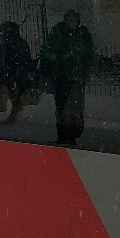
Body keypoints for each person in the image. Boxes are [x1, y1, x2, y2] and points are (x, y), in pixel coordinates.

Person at [41, 9, 94, 145]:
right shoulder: (59, 32)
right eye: (70, 20)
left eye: (75, 20)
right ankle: (64, 134)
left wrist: (72, 54)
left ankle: (71, 134)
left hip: (74, 74)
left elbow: (88, 52)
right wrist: (54, 55)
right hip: (60, 74)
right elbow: (46, 49)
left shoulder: (81, 34)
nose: (73, 23)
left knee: (73, 105)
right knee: (62, 105)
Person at [0, 21, 35, 122]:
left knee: (13, 93)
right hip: (18, 72)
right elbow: (27, 58)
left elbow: (2, 59)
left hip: (12, 72)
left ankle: (15, 112)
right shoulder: (20, 42)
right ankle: (16, 111)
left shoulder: (6, 44)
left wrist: (1, 70)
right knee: (17, 92)